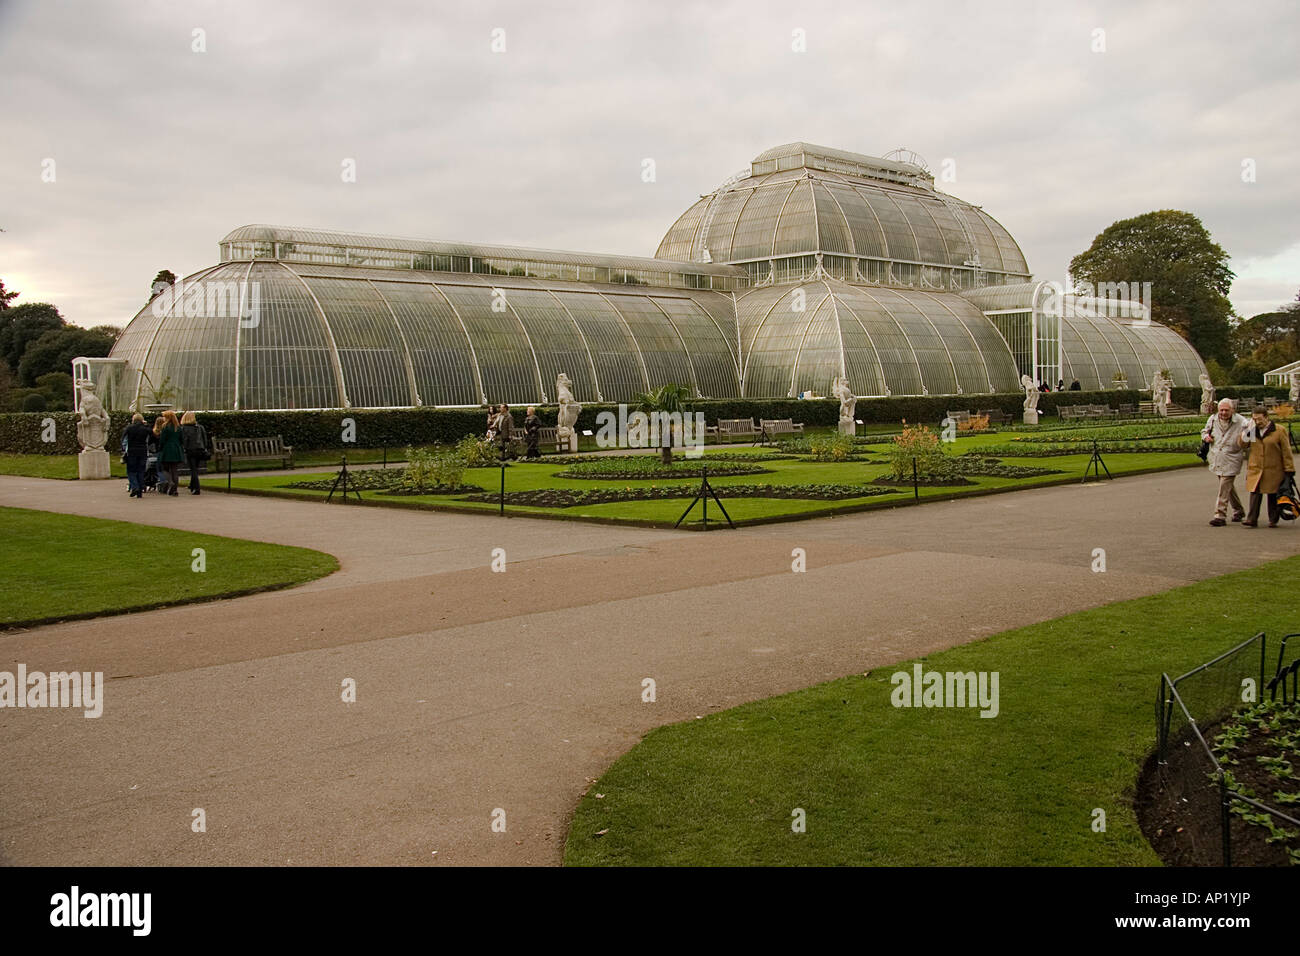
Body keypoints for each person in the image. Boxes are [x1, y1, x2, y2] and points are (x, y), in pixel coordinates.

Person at [1239, 406, 1296, 528]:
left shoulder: (1279, 430)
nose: (1257, 422)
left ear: (1266, 417)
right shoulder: (1252, 431)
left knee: (1272, 494)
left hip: (1273, 469)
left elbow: (1286, 451)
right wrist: (1246, 432)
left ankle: (1273, 519)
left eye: (1259, 419)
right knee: (1255, 493)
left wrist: (1289, 470)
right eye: (1254, 419)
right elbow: (1242, 445)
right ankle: (1251, 519)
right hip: (1256, 468)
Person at [1202, 399, 1247, 526]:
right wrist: (1206, 437)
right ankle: (1239, 511)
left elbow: (1251, 437)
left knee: (1224, 487)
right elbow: (1205, 431)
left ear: (1233, 410)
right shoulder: (1213, 419)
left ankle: (1220, 515)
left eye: (1226, 410)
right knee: (1228, 487)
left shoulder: (1242, 421)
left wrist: (1244, 439)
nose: (1223, 412)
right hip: (1217, 457)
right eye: (1221, 410)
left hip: (1232, 458)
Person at [180, 411, 212, 495]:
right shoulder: (200, 427)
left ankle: (196, 488)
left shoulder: (184, 428)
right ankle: (192, 485)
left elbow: (184, 441)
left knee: (193, 469)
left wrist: (184, 448)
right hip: (200, 450)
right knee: (195, 468)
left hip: (190, 450)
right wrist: (204, 448)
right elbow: (204, 439)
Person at [122, 413, 152, 499]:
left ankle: (135, 486)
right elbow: (152, 434)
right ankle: (140, 490)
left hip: (132, 451)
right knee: (141, 471)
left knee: (131, 471)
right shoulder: (145, 429)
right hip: (142, 451)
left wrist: (124, 449)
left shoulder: (129, 428)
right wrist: (146, 425)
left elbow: (123, 438)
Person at [157, 410, 184, 497]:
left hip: (167, 449)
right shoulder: (178, 427)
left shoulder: (165, 427)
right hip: (176, 449)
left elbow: (162, 440)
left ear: (167, 418)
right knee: (174, 470)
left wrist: (160, 449)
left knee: (164, 468)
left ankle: (170, 482)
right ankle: (175, 490)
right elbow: (181, 440)